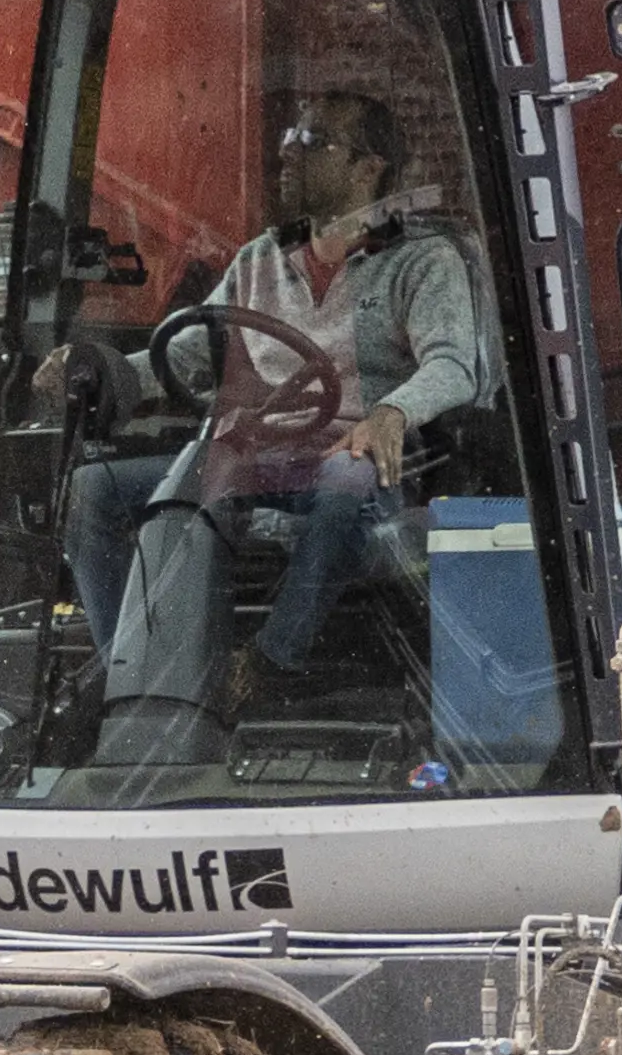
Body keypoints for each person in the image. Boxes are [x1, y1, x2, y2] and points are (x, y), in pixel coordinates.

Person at [66, 91, 501, 730]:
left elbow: (453, 364)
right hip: (255, 458)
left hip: (357, 459)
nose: (287, 153)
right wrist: (92, 371)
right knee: (91, 491)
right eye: (290, 138)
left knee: (347, 475)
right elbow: (188, 354)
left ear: (368, 167)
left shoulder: (421, 260)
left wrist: (391, 414)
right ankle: (129, 669)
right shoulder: (260, 259)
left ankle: (270, 662)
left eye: (314, 141)